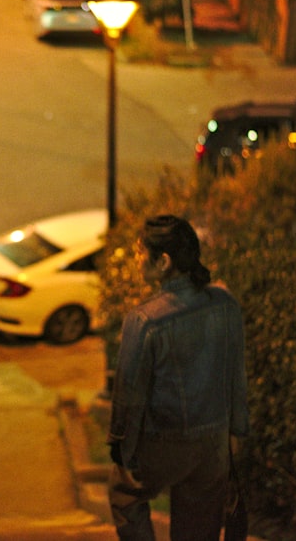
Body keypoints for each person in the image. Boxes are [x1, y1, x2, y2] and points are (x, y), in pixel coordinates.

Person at [107, 215, 249, 541]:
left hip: (164, 444)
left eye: (142, 253)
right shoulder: (226, 305)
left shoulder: (144, 321)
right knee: (199, 526)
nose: (138, 260)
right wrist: (237, 432)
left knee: (124, 493)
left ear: (164, 261)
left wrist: (121, 448)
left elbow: (130, 397)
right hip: (213, 443)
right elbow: (235, 377)